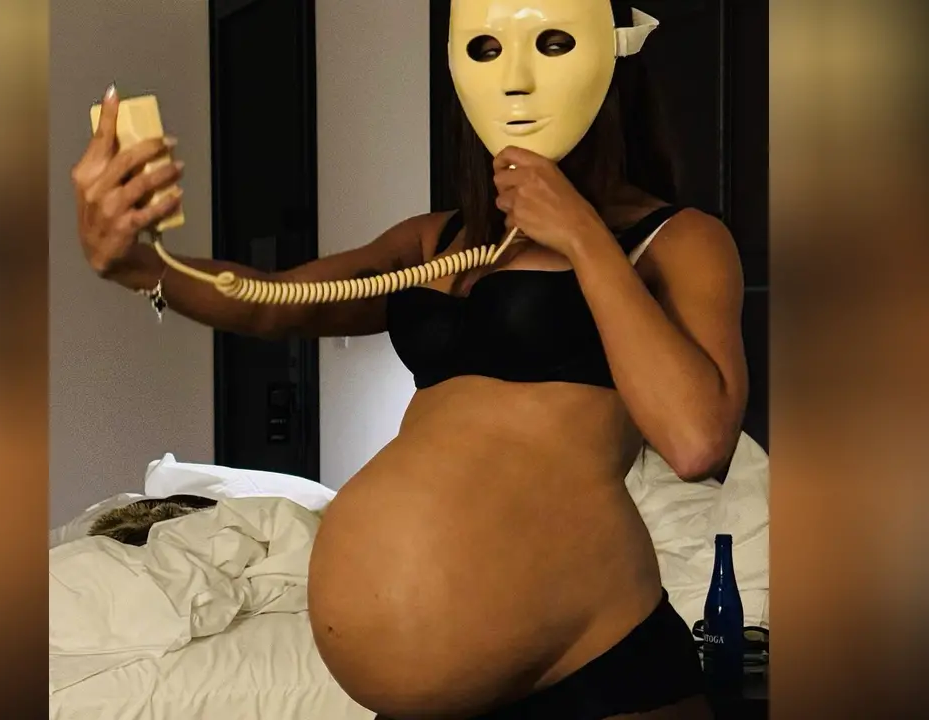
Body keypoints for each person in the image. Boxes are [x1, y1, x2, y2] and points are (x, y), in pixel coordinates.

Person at [71, 0, 746, 717]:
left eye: (551, 43)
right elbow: (273, 302)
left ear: (616, 57)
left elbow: (697, 441)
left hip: (593, 670)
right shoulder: (434, 240)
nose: (516, 78)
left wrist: (581, 235)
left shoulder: (677, 239)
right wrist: (139, 266)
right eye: (486, 50)